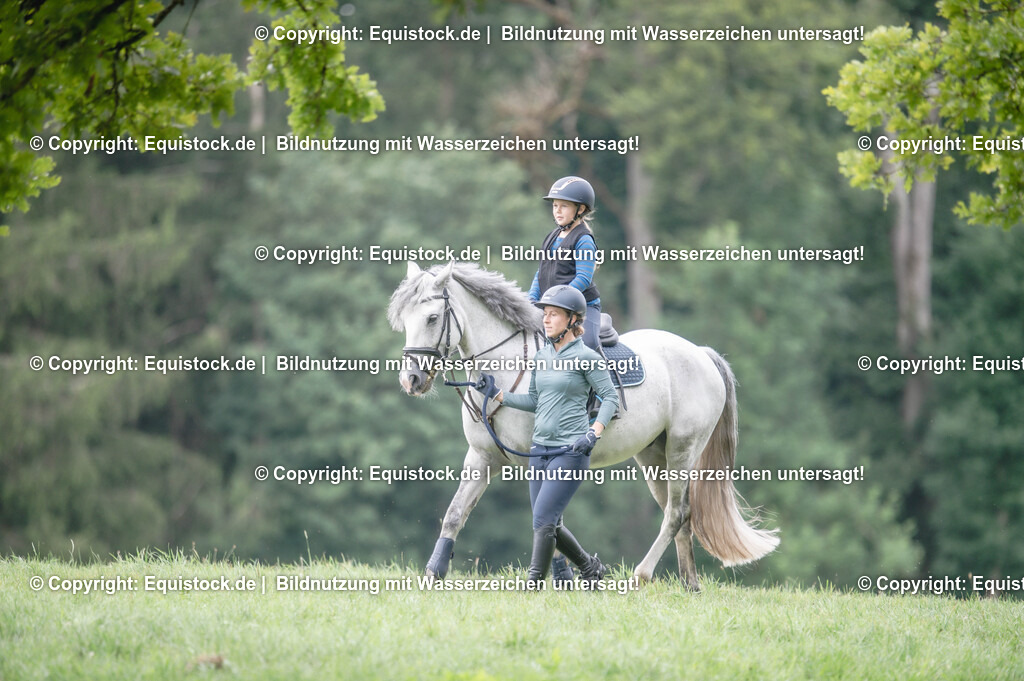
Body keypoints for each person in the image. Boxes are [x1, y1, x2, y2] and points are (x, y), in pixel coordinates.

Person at [475, 285, 619, 587]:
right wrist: (498, 395)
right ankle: (590, 567)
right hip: (539, 450)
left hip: (571, 451)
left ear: (573, 320)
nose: (546, 319)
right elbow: (534, 401)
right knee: (546, 523)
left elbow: (610, 398)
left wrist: (593, 434)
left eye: (554, 314)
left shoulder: (587, 358)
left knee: (543, 521)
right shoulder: (541, 357)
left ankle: (533, 583)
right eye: (545, 314)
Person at [528, 176, 603, 353]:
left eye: (564, 206)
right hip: (553, 309)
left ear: (580, 209)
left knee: (589, 345)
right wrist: (531, 300)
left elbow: (583, 279)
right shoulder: (551, 236)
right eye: (555, 205)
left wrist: (558, 302)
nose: (557, 211)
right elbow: (541, 273)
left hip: (583, 309)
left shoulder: (583, 239)